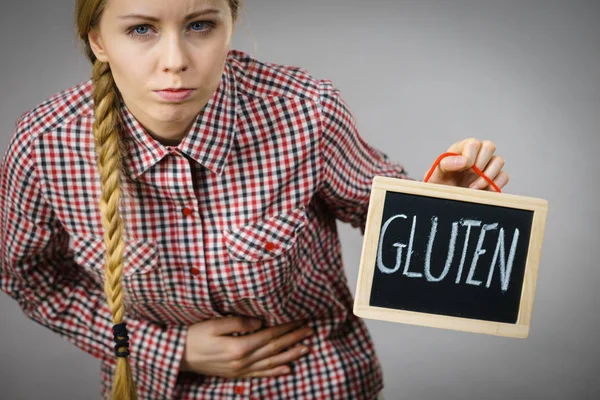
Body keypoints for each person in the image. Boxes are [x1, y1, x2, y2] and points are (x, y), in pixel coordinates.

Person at [0, 0, 509, 399]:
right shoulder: (45, 144)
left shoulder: (304, 111)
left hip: (318, 384)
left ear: (230, 23)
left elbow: (381, 216)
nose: (175, 61)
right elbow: (29, 277)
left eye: (201, 25)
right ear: (98, 40)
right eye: (141, 29)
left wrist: (442, 212)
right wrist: (168, 350)